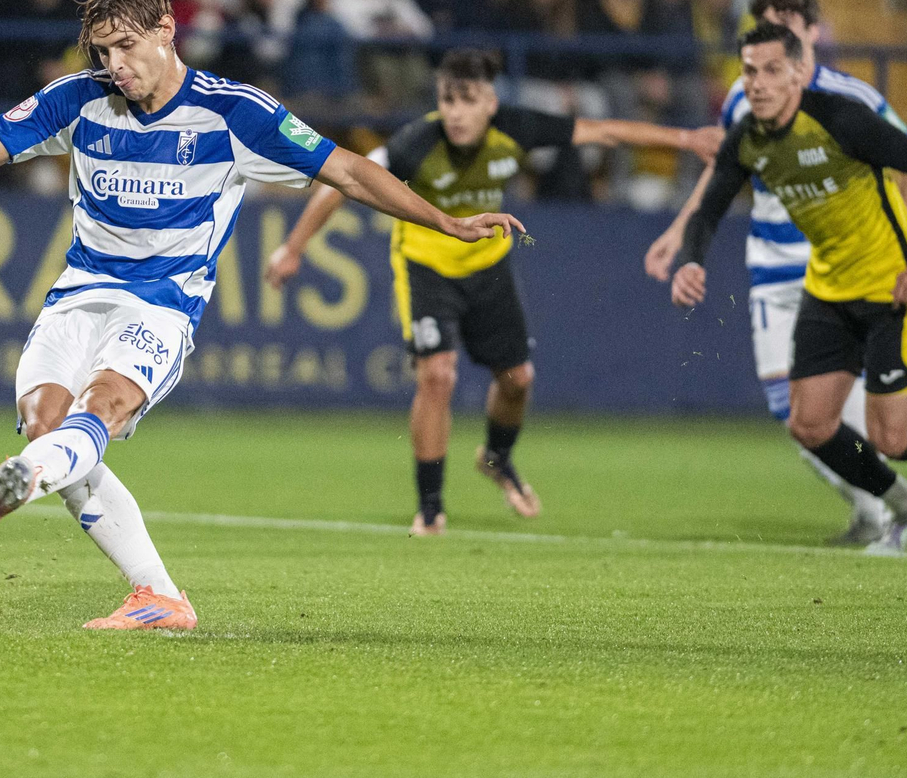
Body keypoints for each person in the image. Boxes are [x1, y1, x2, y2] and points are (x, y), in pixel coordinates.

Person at [0, 0, 526, 630]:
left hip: (161, 306)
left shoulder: (234, 113)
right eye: (103, 50)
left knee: (100, 410)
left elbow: (350, 171)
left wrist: (445, 222)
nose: (115, 65)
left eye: (126, 46)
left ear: (167, 29)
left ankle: (24, 476)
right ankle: (157, 594)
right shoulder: (79, 99)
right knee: (51, 429)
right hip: (76, 297)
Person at [265, 49, 722, 534]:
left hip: (489, 267)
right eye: (448, 100)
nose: (456, 113)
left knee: (518, 380)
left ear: (490, 103)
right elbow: (342, 181)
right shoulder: (417, 142)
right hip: (426, 267)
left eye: (468, 100)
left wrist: (687, 138)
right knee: (437, 375)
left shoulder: (516, 128)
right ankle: (431, 507)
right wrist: (293, 248)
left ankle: (496, 458)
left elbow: (605, 131)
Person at [670, 21, 907, 552]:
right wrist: (691, 262)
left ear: (798, 73)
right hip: (829, 289)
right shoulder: (747, 139)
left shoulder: (838, 120)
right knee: (809, 425)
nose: (758, 84)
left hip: (889, 287)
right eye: (749, 72)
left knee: (893, 438)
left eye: (771, 70)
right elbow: (708, 210)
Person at [647, 0, 907, 543]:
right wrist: (680, 230)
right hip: (771, 261)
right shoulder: (742, 96)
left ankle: (892, 504)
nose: (774, 37)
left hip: (838, 262)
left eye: (787, 25)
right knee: (788, 410)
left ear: (810, 34)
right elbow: (725, 167)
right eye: (766, 25)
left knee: (833, 408)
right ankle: (875, 507)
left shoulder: (850, 98)